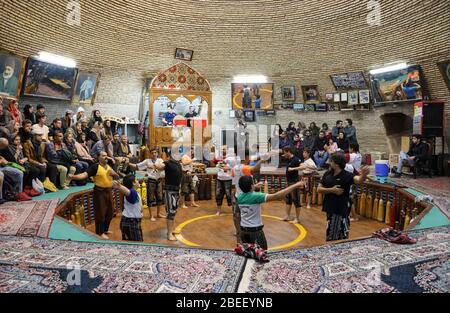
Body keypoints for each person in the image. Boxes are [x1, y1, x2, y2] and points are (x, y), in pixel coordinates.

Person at [237, 176, 305, 250]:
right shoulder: (256, 196)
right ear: (251, 186)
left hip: (243, 230)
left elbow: (247, 191)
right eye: (253, 183)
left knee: (247, 251)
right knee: (262, 253)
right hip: (255, 232)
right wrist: (295, 185)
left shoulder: (239, 196)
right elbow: (277, 196)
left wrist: (254, 186)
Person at [318, 153, 370, 241]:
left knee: (340, 231)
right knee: (331, 230)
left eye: (331, 161)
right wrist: (332, 190)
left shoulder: (346, 175)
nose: (329, 163)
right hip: (329, 207)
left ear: (337, 164)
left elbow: (359, 180)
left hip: (340, 209)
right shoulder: (327, 174)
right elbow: (319, 189)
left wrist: (363, 175)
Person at [70, 151, 119, 239]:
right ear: (99, 157)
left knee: (110, 212)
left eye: (106, 155)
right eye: (103, 156)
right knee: (100, 213)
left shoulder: (108, 166)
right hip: (99, 192)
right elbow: (84, 175)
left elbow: (117, 176)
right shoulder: (95, 167)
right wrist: (73, 177)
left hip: (109, 191)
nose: (106, 157)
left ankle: (105, 229)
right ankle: (100, 232)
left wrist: (114, 174)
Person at [129, 147, 166, 221]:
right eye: (152, 153)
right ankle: (151, 216)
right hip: (151, 181)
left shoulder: (160, 160)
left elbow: (163, 168)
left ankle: (159, 214)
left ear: (157, 153)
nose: (154, 154)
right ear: (150, 154)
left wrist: (155, 166)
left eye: (155, 153)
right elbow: (137, 166)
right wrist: (128, 163)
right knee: (150, 198)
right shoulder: (147, 161)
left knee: (160, 198)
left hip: (159, 181)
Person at [157, 150, 183, 241]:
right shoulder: (167, 163)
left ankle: (172, 230)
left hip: (176, 191)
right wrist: (156, 164)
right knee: (171, 212)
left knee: (174, 211)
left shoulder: (178, 164)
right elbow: (160, 166)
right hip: (170, 191)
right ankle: (169, 234)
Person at [113, 174, 144, 242]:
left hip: (131, 221)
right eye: (136, 180)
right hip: (131, 222)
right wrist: (119, 186)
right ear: (133, 183)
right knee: (137, 244)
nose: (138, 181)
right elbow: (128, 192)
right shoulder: (132, 192)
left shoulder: (136, 193)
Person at [282, 147, 302, 223]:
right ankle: (287, 216)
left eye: (285, 152)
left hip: (294, 182)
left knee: (296, 200)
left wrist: (293, 169)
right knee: (288, 200)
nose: (284, 154)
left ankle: (297, 218)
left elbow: (303, 166)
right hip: (288, 182)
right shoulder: (289, 159)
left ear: (288, 152)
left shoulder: (296, 159)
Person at [216, 150, 233, 216]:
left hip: (228, 179)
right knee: (218, 194)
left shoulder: (230, 159)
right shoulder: (220, 159)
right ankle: (218, 211)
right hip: (219, 179)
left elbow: (226, 168)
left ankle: (233, 210)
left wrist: (219, 165)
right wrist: (219, 164)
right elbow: (217, 165)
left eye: (224, 150)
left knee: (229, 195)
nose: (223, 151)